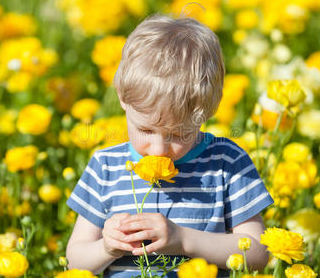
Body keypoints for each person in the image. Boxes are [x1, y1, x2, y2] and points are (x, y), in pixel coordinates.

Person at [66, 14, 274, 277]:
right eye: (145, 130)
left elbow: (257, 253)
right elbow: (75, 261)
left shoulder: (227, 163)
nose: (158, 149)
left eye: (178, 134)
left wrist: (184, 240)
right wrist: (108, 248)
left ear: (207, 112)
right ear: (122, 97)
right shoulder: (105, 166)